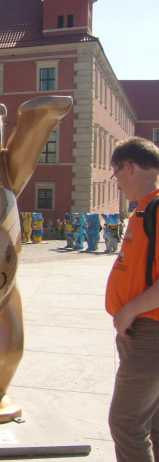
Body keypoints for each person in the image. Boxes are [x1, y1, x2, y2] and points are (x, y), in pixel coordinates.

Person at [106, 137, 159, 462]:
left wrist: (129, 311)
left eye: (117, 174)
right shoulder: (144, 208)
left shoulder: (156, 208)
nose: (118, 183)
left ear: (129, 166)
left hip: (149, 334)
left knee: (126, 422)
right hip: (141, 333)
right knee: (151, 421)